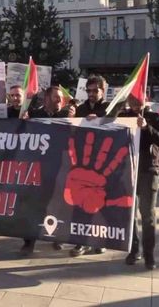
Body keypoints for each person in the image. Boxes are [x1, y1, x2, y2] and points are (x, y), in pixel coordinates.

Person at [21, 86, 70, 255]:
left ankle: (57, 237)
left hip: (60, 167)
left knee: (57, 204)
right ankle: (29, 241)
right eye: (56, 97)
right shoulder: (35, 115)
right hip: (38, 168)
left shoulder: (67, 115)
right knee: (34, 204)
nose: (59, 100)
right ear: (47, 99)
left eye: (61, 98)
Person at [121, 97, 159, 270]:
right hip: (128, 170)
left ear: (144, 98)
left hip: (148, 169)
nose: (134, 104)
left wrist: (146, 127)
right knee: (130, 214)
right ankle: (134, 250)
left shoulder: (156, 117)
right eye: (131, 100)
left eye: (137, 99)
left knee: (147, 214)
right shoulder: (123, 116)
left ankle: (149, 254)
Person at [71, 75, 109, 257]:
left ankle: (99, 240)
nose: (92, 94)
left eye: (95, 90)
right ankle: (81, 241)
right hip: (82, 163)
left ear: (103, 91)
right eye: (89, 90)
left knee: (99, 204)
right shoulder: (80, 109)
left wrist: (100, 120)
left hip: (102, 163)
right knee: (80, 202)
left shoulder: (110, 108)